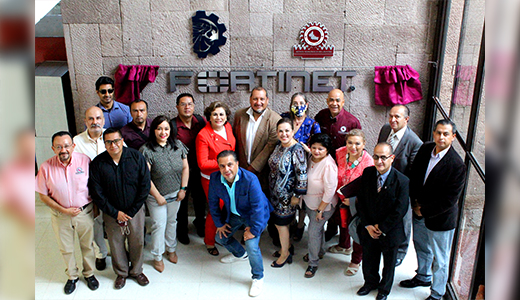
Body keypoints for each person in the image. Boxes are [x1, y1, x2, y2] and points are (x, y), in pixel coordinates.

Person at [399, 119, 466, 300]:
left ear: (453, 137)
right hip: (418, 209)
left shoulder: (457, 164)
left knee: (441, 259)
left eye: (446, 134)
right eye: (438, 133)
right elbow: (414, 176)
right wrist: (414, 203)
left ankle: (437, 294)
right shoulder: (426, 148)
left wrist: (424, 210)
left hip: (440, 219)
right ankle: (422, 276)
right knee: (421, 247)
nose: (441, 137)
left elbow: (450, 200)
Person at [35, 131, 99, 294]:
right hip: (60, 215)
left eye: (66, 146)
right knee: (67, 248)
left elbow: (94, 187)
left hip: (84, 212)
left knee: (88, 246)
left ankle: (89, 274)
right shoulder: (45, 167)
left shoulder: (85, 161)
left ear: (73, 146)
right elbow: (43, 195)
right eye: (58, 147)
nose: (63, 150)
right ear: (53, 148)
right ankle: (72, 276)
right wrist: (63, 210)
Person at [88, 128, 151, 289]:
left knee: (137, 241)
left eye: (116, 141)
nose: (113, 145)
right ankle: (122, 273)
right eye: (108, 142)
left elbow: (144, 186)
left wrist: (130, 211)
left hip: (134, 211)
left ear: (122, 140)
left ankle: (136, 271)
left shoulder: (136, 157)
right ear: (104, 143)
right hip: (111, 213)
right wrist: (115, 212)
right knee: (116, 243)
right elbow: (97, 192)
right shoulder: (98, 163)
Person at [209, 150, 273, 297]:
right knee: (220, 237)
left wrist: (253, 230)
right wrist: (219, 224)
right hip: (235, 214)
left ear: (237, 164)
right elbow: (212, 204)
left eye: (230, 165)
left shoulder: (250, 179)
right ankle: (239, 255)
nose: (226, 170)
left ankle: (258, 277)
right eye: (222, 166)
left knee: (252, 246)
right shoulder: (215, 178)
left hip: (254, 216)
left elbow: (258, 208)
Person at [356, 142, 409, 300]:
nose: (379, 161)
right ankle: (370, 283)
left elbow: (400, 210)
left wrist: (381, 227)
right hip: (369, 228)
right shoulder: (367, 173)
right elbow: (361, 202)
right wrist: (368, 225)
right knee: (369, 259)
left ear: (392, 158)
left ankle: (384, 290)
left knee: (389, 263)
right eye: (376, 157)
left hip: (390, 231)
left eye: (384, 157)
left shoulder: (402, 181)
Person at [140, 116, 189, 272]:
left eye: (166, 128)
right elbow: (145, 177)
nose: (163, 132)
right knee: (158, 225)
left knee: (172, 221)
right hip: (156, 197)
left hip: (176, 194)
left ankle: (171, 248)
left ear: (171, 130)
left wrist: (183, 189)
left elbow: (186, 168)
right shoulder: (146, 150)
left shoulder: (178, 145)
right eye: (159, 128)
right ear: (153, 130)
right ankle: (158, 256)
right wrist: (158, 196)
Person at [233, 87, 281, 246]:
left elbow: (271, 145)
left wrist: (252, 169)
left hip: (262, 173)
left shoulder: (274, 119)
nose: (258, 102)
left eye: (262, 99)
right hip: (241, 170)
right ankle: (247, 235)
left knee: (264, 204)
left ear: (267, 100)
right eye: (255, 99)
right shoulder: (240, 115)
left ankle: (274, 237)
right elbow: (236, 140)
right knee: (247, 206)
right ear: (250, 99)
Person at [377, 104, 423, 266]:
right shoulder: (384, 130)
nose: (393, 119)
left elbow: (414, 172)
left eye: (397, 117)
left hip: (401, 187)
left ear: (407, 119)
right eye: (391, 116)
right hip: (382, 182)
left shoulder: (415, 142)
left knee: (403, 219)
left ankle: (401, 251)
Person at [315, 88, 362, 241]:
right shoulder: (320, 116)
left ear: (343, 102)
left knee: (340, 201)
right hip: (323, 166)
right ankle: (329, 227)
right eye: (331, 100)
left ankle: (341, 235)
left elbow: (358, 147)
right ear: (327, 101)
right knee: (326, 197)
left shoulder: (352, 121)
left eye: (337, 100)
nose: (334, 103)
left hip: (343, 169)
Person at [327, 129, 374, 276]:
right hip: (340, 198)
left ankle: (356, 260)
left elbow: (370, 190)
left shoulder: (369, 163)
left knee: (357, 230)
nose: (353, 147)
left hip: (357, 202)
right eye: (350, 143)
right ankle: (344, 245)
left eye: (357, 143)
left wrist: (354, 200)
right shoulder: (340, 153)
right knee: (343, 223)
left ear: (364, 144)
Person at [196, 101, 236, 256]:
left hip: (229, 177)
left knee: (228, 208)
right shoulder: (203, 135)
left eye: (221, 114)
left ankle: (222, 236)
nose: (218, 117)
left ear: (226, 117)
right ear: (209, 117)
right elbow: (203, 163)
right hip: (212, 179)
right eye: (215, 114)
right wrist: (226, 163)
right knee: (215, 211)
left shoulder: (228, 127)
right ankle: (209, 241)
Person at [73, 106, 109, 271]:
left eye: (98, 118)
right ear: (85, 121)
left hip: (113, 191)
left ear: (103, 119)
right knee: (96, 224)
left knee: (117, 223)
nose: (95, 122)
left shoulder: (113, 136)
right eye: (91, 119)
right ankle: (100, 254)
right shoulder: (76, 142)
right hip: (90, 193)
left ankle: (121, 252)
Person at [280, 92, 321, 242]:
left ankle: (300, 226)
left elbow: (319, 147)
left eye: (301, 103)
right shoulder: (284, 118)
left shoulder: (312, 124)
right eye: (295, 103)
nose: (298, 107)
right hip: (286, 166)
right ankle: (291, 223)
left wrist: (309, 150)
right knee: (289, 196)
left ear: (307, 105)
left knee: (302, 197)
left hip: (305, 166)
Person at [268, 118, 307, 268]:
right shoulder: (279, 146)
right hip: (275, 194)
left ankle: (285, 254)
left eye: (287, 131)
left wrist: (297, 196)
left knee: (281, 224)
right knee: (279, 222)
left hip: (288, 196)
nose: (284, 134)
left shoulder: (296, 149)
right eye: (281, 131)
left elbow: (302, 175)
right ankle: (287, 247)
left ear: (292, 131)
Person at [172, 93, 207, 244]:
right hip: (181, 171)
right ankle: (182, 231)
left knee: (200, 200)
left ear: (194, 106)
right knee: (182, 202)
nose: (187, 107)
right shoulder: (172, 125)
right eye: (183, 104)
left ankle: (200, 224)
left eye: (190, 104)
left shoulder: (201, 121)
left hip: (200, 169)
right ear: (177, 107)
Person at [301, 133, 337, 278]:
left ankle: (313, 262)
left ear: (327, 150)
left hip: (322, 206)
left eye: (321, 149)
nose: (316, 151)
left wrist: (321, 209)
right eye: (314, 147)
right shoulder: (312, 157)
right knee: (318, 230)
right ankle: (320, 251)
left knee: (313, 233)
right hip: (310, 202)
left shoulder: (329, 165)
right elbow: (311, 153)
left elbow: (330, 191)